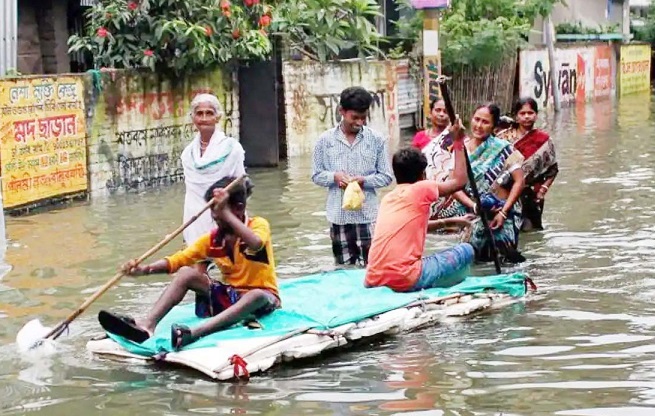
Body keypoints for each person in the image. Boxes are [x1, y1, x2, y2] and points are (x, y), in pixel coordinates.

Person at [97, 176, 279, 350]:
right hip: (230, 298)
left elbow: (256, 243)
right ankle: (147, 326)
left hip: (263, 300)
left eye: (218, 210)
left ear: (238, 209)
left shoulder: (257, 225)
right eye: (214, 210)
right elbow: (178, 260)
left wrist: (225, 212)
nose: (214, 216)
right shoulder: (214, 239)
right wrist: (144, 270)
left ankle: (194, 333)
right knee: (186, 273)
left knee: (256, 295)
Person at [365, 117, 475, 292]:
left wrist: (450, 221)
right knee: (466, 250)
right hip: (404, 278)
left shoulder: (389, 198)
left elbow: (410, 226)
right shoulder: (422, 188)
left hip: (373, 278)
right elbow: (460, 181)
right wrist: (458, 141)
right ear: (423, 174)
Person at [312, 87, 394, 266]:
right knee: (343, 270)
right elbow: (316, 175)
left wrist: (364, 181)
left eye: (363, 117)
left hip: (368, 217)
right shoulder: (324, 141)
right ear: (342, 111)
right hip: (338, 217)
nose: (359, 122)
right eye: (354, 117)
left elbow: (387, 177)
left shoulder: (376, 140)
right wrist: (335, 177)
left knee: (372, 267)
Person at [437, 103, 526, 264]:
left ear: (493, 126)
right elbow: (454, 186)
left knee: (504, 259)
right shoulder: (460, 149)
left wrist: (503, 213)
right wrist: (474, 206)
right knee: (472, 260)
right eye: (476, 119)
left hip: (501, 215)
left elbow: (519, 182)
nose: (479, 125)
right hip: (472, 215)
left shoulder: (504, 149)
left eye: (485, 122)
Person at [181, 93, 246, 246]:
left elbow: (241, 187)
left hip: (224, 217)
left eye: (209, 113)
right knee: (196, 262)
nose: (204, 118)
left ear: (217, 117)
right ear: (193, 118)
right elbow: (192, 194)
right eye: (199, 113)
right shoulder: (187, 154)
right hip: (194, 218)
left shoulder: (232, 148)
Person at [497, 97, 558, 231]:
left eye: (530, 113)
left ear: (536, 115)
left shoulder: (544, 141)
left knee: (530, 231)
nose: (526, 117)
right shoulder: (503, 138)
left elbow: (552, 169)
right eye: (522, 114)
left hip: (531, 195)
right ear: (516, 116)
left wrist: (542, 190)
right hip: (506, 193)